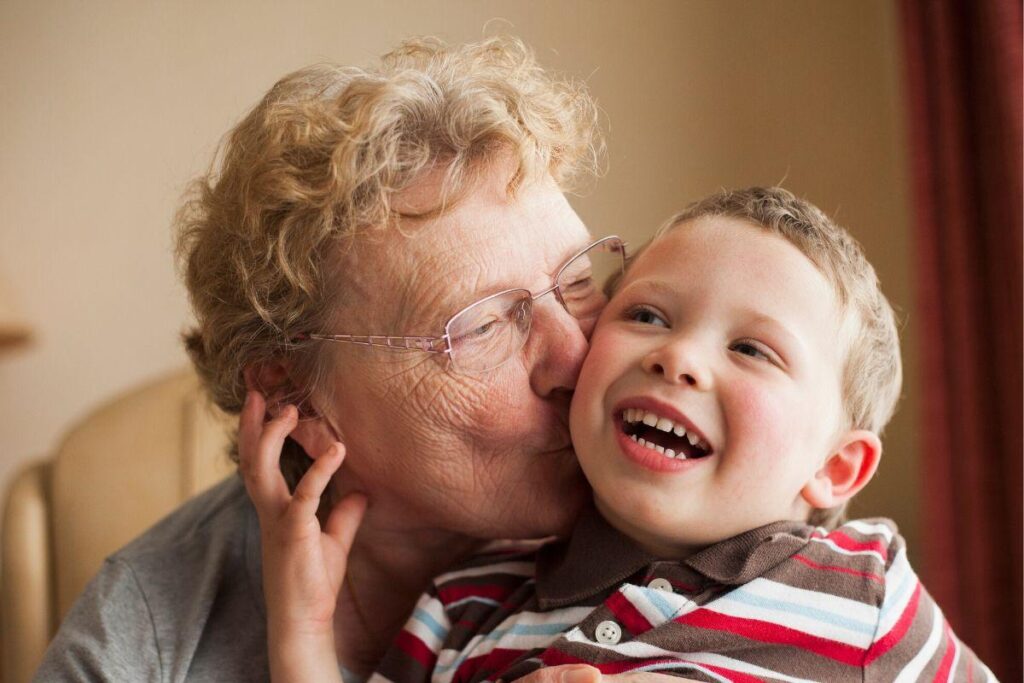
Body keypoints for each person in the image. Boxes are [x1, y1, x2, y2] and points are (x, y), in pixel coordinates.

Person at [34, 36, 622, 682]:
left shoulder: (689, 525)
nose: (576, 357)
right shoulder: (147, 646)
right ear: (297, 397)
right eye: (482, 326)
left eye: (579, 281)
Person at [257, 188, 995, 682]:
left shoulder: (862, 593)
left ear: (837, 468)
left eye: (751, 349)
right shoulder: (466, 603)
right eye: (647, 315)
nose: (676, 356)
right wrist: (306, 641)